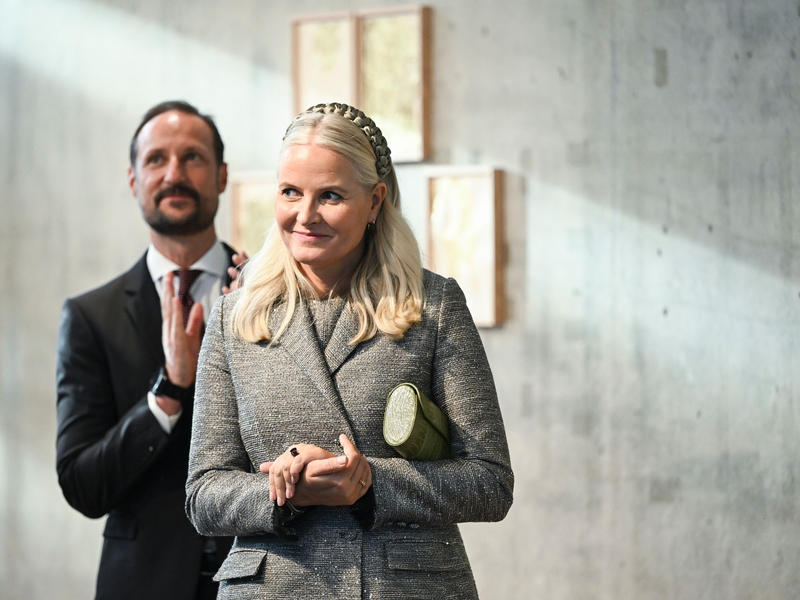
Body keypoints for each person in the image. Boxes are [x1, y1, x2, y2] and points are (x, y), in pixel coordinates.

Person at [185, 102, 514, 600]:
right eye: (290, 192)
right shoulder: (236, 315)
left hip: (405, 587)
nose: (305, 215)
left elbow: (490, 483)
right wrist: (287, 490)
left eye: (331, 196)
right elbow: (203, 495)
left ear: (375, 200)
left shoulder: (433, 306)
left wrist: (370, 482)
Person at [56, 100, 244, 600]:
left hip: (266, 577)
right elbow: (83, 484)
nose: (174, 174)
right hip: (142, 583)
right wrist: (169, 391)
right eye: (157, 159)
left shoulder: (270, 294)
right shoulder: (91, 318)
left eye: (193, 158)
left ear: (222, 175)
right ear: (134, 179)